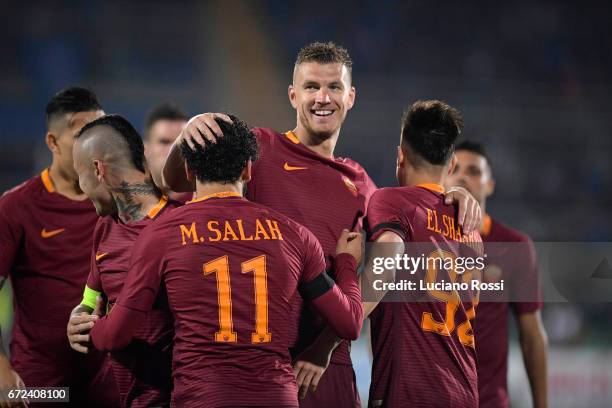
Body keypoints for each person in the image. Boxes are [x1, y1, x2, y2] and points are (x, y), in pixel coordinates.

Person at [160, 42, 481, 407]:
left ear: (351, 96)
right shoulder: (259, 147)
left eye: (334, 87)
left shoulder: (362, 184)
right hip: (261, 361)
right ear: (293, 95)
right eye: (312, 87)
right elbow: (174, 181)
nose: (322, 98)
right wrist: (189, 133)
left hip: (328, 366)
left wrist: (451, 194)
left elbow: (392, 258)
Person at [88, 115, 364, 408]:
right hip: (276, 397)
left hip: (203, 398)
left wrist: (93, 326)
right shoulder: (296, 236)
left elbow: (115, 336)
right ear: (247, 170)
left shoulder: (162, 234)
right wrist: (346, 262)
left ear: (189, 169)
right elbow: (349, 324)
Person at [0, 87, 117, 407]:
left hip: (109, 382)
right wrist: (0, 369)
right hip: (39, 386)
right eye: (83, 135)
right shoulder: (16, 207)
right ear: (53, 142)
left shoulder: (119, 202)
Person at [363, 100, 483, 407]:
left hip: (411, 391)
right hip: (465, 392)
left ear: (400, 156)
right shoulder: (471, 230)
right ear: (452, 164)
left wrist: (327, 340)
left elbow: (384, 270)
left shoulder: (390, 202)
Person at [67, 114, 179, 407]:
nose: (81, 188)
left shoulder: (181, 225)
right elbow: (91, 300)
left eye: (80, 176)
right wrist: (78, 317)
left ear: (98, 169)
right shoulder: (105, 228)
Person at [445, 140, 548, 408]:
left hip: (488, 401)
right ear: (442, 176)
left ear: (490, 184)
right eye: (455, 168)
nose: (463, 177)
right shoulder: (420, 236)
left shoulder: (514, 246)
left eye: (475, 171)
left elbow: (532, 334)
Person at [142, 103, 191, 202]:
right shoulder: (124, 205)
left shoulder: (203, 203)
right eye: (164, 142)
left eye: (181, 142)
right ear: (145, 149)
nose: (173, 150)